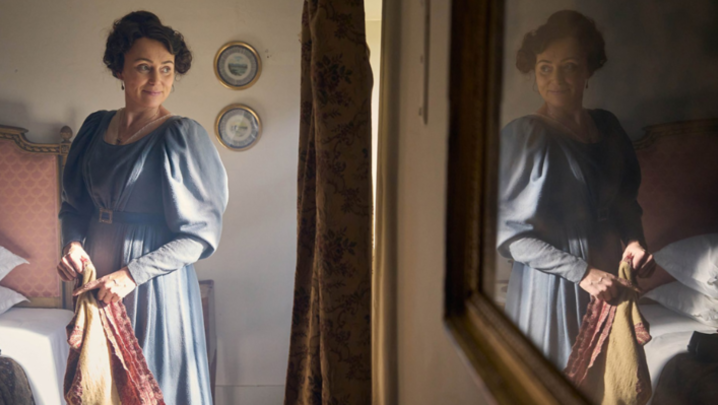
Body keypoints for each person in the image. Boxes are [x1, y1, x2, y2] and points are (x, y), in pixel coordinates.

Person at [56, 11, 228, 404]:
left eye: (167, 69)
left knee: (151, 385)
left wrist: (131, 275)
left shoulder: (182, 137)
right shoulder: (94, 128)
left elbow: (199, 237)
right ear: (119, 70)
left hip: (153, 286)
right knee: (103, 385)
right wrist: (72, 243)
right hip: (97, 282)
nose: (157, 81)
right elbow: (73, 207)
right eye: (144, 67)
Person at [497, 10, 655, 370]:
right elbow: (510, 236)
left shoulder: (609, 127)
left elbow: (625, 203)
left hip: (609, 277)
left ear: (588, 71)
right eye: (545, 67)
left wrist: (634, 240)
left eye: (569, 66)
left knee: (609, 379)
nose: (556, 79)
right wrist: (583, 273)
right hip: (553, 286)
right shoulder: (527, 137)